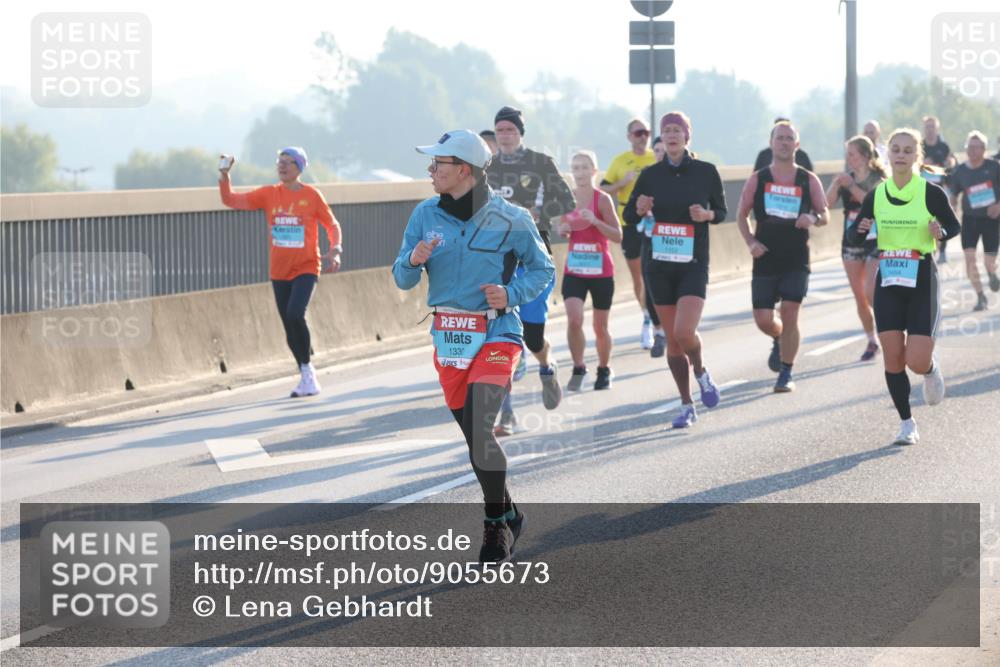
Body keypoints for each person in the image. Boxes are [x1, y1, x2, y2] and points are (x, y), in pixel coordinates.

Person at [392, 129, 553, 561]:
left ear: (463, 170)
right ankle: (511, 511)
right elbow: (401, 277)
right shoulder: (425, 215)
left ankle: (494, 526)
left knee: (482, 428)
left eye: (437, 164)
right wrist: (412, 261)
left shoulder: (511, 219)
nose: (430, 171)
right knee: (475, 440)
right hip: (449, 339)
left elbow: (543, 270)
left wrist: (512, 294)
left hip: (498, 333)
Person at [852, 128, 960, 446]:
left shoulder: (930, 193)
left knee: (915, 360)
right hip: (889, 277)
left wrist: (940, 232)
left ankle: (929, 368)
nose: (901, 155)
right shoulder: (877, 195)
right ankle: (906, 423)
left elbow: (953, 226)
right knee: (893, 359)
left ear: (917, 156)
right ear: (888, 154)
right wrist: (860, 231)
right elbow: (854, 237)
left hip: (922, 275)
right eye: (895, 149)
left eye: (907, 150)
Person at [624, 111, 727, 428]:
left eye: (677, 130)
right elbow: (629, 215)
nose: (671, 135)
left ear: (687, 136)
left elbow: (722, 212)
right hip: (658, 264)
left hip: (693, 262)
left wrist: (706, 216)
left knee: (685, 332)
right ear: (661, 137)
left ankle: (701, 370)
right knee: (672, 340)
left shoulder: (706, 172)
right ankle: (686, 404)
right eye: (666, 130)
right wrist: (639, 208)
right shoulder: (651, 174)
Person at [218, 147, 342, 398]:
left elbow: (331, 224)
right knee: (288, 323)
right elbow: (231, 200)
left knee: (296, 313)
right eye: (280, 162)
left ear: (299, 168)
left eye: (288, 162)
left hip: (307, 266)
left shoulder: (312, 196)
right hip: (279, 271)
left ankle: (308, 372)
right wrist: (224, 176)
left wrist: (335, 248)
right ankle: (305, 372)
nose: (282, 166)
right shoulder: (269, 194)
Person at [487, 106, 575, 437]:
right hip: (496, 261)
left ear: (520, 133)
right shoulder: (486, 166)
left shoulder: (540, 163)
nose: (505, 135)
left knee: (532, 336)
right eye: (500, 130)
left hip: (534, 259)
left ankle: (546, 365)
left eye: (511, 129)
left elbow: (566, 202)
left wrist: (538, 212)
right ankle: (506, 414)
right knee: (500, 337)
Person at [737, 121, 830, 392]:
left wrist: (811, 217)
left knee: (790, 313)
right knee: (764, 319)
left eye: (789, 138)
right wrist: (751, 242)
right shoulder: (759, 178)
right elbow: (741, 215)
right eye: (780, 138)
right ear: (771, 143)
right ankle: (778, 338)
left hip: (796, 256)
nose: (784, 142)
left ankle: (786, 373)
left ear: (797, 145)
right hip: (765, 254)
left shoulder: (807, 179)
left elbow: (824, 215)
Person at [559, 150, 622, 391]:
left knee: (600, 326)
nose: (580, 173)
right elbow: (564, 229)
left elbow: (618, 235)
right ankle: (578, 367)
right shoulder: (567, 199)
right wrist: (564, 229)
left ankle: (604, 369)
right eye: (576, 168)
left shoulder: (602, 199)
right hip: (575, 268)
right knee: (574, 320)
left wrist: (596, 221)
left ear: (594, 171)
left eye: (585, 168)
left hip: (601, 271)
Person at [601, 118, 661, 351]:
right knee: (639, 275)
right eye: (637, 133)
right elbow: (603, 189)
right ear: (629, 136)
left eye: (645, 132)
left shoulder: (655, 156)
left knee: (652, 272)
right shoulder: (620, 161)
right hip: (629, 221)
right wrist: (622, 183)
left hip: (655, 221)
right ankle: (647, 314)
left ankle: (659, 319)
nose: (642, 136)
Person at [826, 135, 887, 361]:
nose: (849, 158)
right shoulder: (845, 179)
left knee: (871, 292)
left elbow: (873, 203)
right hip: (852, 241)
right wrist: (835, 184)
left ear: (864, 155)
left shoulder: (878, 178)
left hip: (876, 239)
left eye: (852, 154)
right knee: (859, 296)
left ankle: (887, 329)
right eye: (847, 154)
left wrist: (851, 185)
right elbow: (825, 203)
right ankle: (872, 340)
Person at [948, 130, 1000, 311]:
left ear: (984, 149)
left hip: (991, 219)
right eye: (970, 147)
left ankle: (992, 272)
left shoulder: (994, 167)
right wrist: (951, 206)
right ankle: (980, 297)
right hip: (970, 219)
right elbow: (953, 193)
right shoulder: (960, 171)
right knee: (969, 259)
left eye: (977, 147)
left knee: (988, 261)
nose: (973, 151)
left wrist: (998, 205)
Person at [921, 116, 956, 263]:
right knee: (927, 222)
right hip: (923, 189)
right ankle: (929, 250)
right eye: (927, 127)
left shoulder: (943, 146)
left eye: (932, 127)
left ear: (937, 129)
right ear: (924, 128)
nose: (930, 130)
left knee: (942, 220)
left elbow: (952, 161)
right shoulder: (920, 146)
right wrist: (922, 164)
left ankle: (942, 251)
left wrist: (950, 162)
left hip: (941, 188)